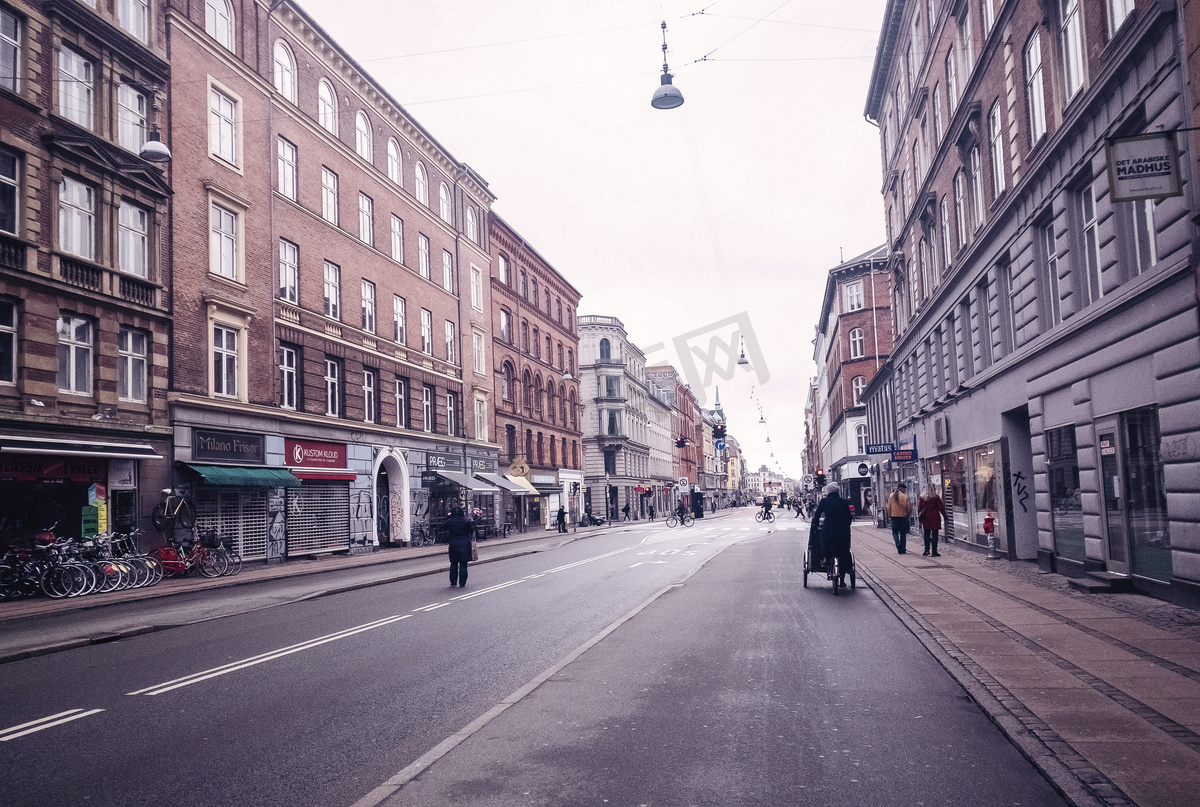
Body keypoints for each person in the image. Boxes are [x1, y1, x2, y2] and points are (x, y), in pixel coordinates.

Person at [810, 483, 853, 585]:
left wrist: (815, 524)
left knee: (824, 541)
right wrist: (847, 524)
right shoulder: (844, 502)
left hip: (829, 528)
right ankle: (842, 580)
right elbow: (849, 516)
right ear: (838, 491)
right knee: (843, 551)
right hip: (842, 530)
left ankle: (825, 558)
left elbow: (817, 514)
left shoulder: (824, 501)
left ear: (828, 491)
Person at [445, 506, 475, 588]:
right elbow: (472, 530)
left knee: (454, 563)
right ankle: (462, 582)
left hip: (453, 543)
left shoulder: (450, 521)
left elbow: (442, 527)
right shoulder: (466, 521)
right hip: (465, 544)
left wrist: (448, 516)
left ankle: (453, 581)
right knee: (463, 564)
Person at [918, 483, 946, 556]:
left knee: (926, 534)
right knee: (935, 535)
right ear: (934, 489)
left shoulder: (922, 498)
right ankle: (934, 551)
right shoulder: (936, 497)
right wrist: (945, 517)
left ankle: (926, 550)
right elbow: (941, 508)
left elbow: (919, 509)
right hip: (935, 517)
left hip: (926, 518)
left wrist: (920, 518)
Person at [887, 482, 913, 554]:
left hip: (894, 516)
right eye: (904, 488)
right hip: (903, 516)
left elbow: (888, 507)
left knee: (895, 532)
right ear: (902, 488)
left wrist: (889, 515)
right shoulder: (905, 496)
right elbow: (909, 508)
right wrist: (909, 515)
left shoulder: (891, 496)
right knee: (903, 533)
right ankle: (903, 548)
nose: (905, 490)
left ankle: (897, 543)